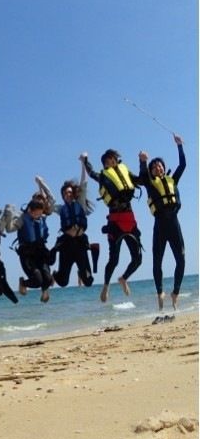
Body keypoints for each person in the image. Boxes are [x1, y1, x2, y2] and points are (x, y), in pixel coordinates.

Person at [81, 149, 144, 302]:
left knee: (138, 259)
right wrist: (85, 160)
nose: (110, 162)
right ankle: (106, 286)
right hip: (115, 222)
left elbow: (141, 180)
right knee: (114, 260)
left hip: (130, 220)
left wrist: (143, 162)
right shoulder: (103, 176)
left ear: (116, 159)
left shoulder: (126, 172)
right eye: (107, 161)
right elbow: (91, 173)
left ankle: (123, 278)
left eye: (112, 159)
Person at [139, 134, 186, 313]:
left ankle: (175, 293)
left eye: (159, 165)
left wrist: (179, 145)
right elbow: (143, 175)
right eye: (154, 166)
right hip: (159, 225)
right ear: (152, 171)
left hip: (174, 223)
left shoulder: (172, 180)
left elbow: (182, 165)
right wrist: (143, 161)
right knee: (157, 262)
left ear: (163, 168)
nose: (157, 167)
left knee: (181, 260)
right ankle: (160, 293)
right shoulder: (150, 185)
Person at [35, 161, 99, 289]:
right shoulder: (61, 209)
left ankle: (81, 272)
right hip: (67, 246)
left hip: (80, 244)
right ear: (63, 196)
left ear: (73, 193)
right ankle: (56, 274)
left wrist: (83, 163)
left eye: (70, 192)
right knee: (63, 282)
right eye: (65, 193)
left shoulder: (80, 203)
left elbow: (84, 183)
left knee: (88, 281)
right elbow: (46, 201)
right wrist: (41, 184)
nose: (68, 194)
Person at [8, 198, 53, 302]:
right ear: (29, 210)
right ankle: (23, 283)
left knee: (48, 278)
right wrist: (9, 215)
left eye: (40, 214)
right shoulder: (22, 218)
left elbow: (45, 234)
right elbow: (10, 229)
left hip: (40, 253)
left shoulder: (42, 218)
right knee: (38, 281)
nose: (38, 216)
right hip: (27, 254)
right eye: (35, 214)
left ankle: (45, 290)